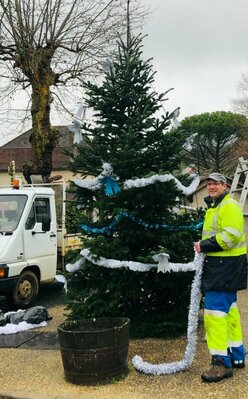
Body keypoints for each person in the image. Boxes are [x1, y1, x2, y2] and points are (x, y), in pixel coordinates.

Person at [194, 172, 247, 383]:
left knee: (214, 314)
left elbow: (231, 235)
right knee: (230, 312)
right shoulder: (216, 206)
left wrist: (203, 245)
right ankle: (237, 356)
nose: (211, 187)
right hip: (226, 265)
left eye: (216, 183)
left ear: (225, 185)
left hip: (224, 266)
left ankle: (220, 363)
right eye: (209, 183)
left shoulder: (229, 206)